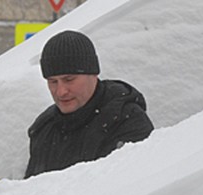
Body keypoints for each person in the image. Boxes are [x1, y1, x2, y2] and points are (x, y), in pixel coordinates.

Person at [25, 30, 153, 178]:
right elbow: (31, 192)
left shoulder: (127, 121)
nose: (61, 92)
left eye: (69, 79)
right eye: (53, 82)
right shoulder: (43, 129)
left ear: (93, 74)